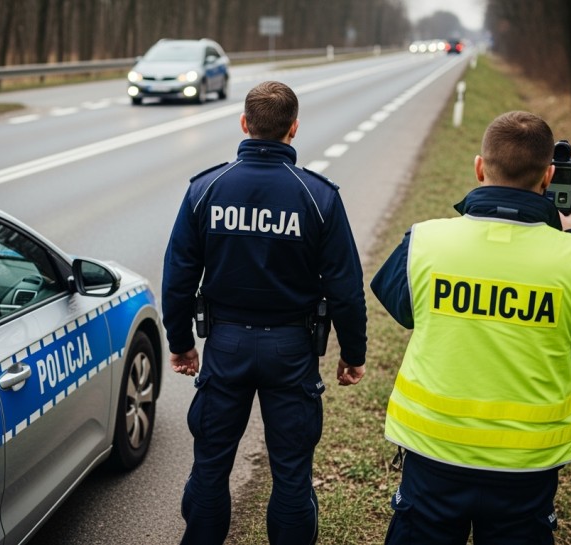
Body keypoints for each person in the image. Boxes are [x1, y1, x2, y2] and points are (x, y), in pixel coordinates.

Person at [370, 110, 571, 544]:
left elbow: (402, 309)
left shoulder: (424, 242)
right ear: (549, 177)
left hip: (433, 455)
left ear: (480, 168)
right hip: (526, 468)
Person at [162, 81, 368, 545]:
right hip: (291, 350)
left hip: (226, 346)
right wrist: (352, 353)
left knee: (210, 468)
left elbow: (178, 276)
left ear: (244, 124)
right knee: (292, 474)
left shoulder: (206, 189)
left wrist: (181, 343)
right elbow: (345, 288)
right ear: (294, 128)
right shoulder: (318, 197)